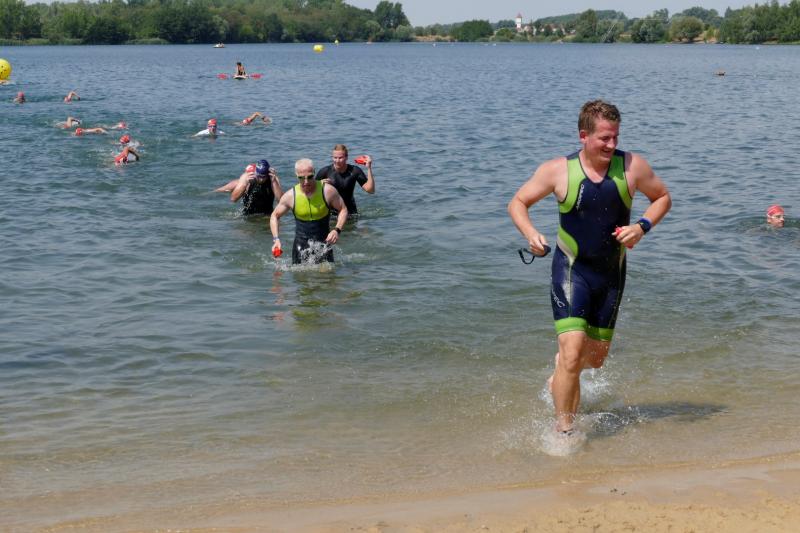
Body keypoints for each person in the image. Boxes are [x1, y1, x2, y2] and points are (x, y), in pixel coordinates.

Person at [508, 99, 672, 438]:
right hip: (572, 271)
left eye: (616, 137)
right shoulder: (558, 171)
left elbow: (662, 197)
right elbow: (518, 202)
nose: (612, 145)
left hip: (611, 274)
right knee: (572, 353)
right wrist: (531, 234)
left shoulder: (632, 167)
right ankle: (564, 430)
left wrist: (641, 226)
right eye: (604, 138)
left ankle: (562, 375)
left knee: (594, 359)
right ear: (584, 136)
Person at [271, 159, 348, 265]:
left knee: (328, 274)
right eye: (301, 178)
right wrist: (276, 239)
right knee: (299, 274)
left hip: (324, 245)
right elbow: (275, 216)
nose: (306, 182)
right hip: (300, 245)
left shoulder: (327, 191)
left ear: (314, 172)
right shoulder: (291, 196)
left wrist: (337, 230)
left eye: (310, 177)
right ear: (296, 175)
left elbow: (343, 209)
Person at [315, 144, 375, 217]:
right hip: (331, 214)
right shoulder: (325, 171)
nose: (337, 161)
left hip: (351, 213)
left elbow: (370, 190)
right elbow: (311, 191)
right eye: (335, 157)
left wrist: (369, 168)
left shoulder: (354, 171)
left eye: (340, 158)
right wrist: (319, 184)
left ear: (346, 157)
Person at [215, 159, 283, 216]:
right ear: (255, 172)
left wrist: (274, 182)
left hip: (267, 215)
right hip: (248, 215)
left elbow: (281, 202)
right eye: (259, 176)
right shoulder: (246, 177)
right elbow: (233, 199)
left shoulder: (273, 178)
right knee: (231, 186)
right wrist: (244, 184)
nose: (261, 179)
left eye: (264, 177)